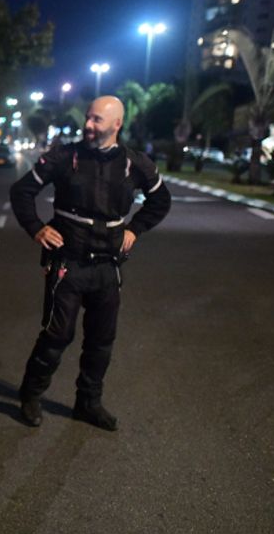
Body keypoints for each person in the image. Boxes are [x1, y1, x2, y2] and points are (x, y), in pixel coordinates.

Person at [9, 95, 171, 431]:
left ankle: (88, 403)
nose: (88, 125)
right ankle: (31, 395)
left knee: (101, 340)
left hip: (108, 267)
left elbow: (161, 201)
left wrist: (135, 230)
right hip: (68, 264)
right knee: (57, 336)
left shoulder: (133, 163)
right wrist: (37, 229)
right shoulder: (64, 156)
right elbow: (21, 192)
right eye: (88, 117)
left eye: (97, 120)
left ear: (116, 124)